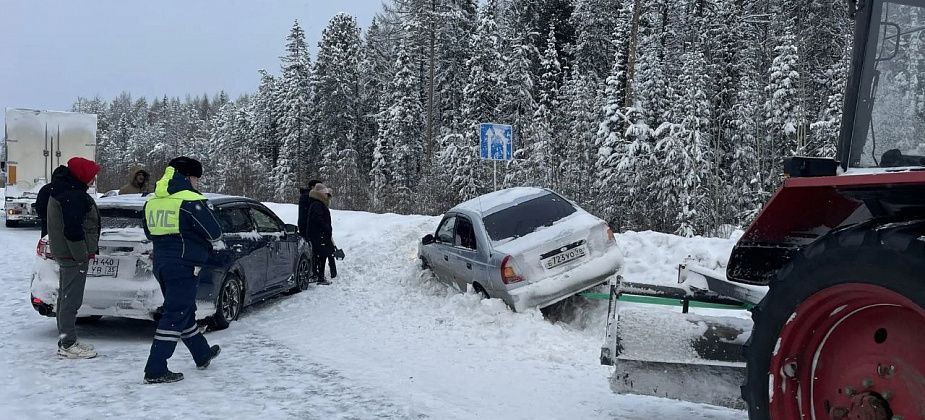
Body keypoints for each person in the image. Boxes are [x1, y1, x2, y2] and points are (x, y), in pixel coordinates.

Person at [141, 156, 223, 384]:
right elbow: (215, 233)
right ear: (188, 177)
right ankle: (156, 368)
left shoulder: (152, 201)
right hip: (185, 265)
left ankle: (202, 353)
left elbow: (149, 233)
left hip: (162, 264)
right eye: (196, 178)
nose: (197, 183)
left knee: (184, 309)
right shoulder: (190, 201)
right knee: (175, 313)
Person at [45, 157, 101, 359]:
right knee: (71, 300)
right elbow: (73, 230)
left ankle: (66, 340)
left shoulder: (63, 189)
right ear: (82, 175)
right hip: (72, 255)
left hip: (66, 253)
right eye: (92, 175)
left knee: (65, 298)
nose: (94, 179)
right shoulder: (72, 195)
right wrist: (81, 255)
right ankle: (68, 344)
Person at [305, 182, 335, 285]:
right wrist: (326, 228)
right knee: (321, 255)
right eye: (325, 194)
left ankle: (317, 275)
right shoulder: (317, 205)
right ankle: (320, 277)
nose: (327, 196)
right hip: (319, 235)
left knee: (320, 255)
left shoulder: (316, 204)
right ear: (321, 194)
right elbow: (319, 220)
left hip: (319, 234)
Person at [35, 165, 68, 238]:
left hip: (48, 229)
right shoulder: (71, 190)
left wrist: (47, 218)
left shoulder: (45, 189)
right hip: (68, 232)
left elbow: (39, 209)